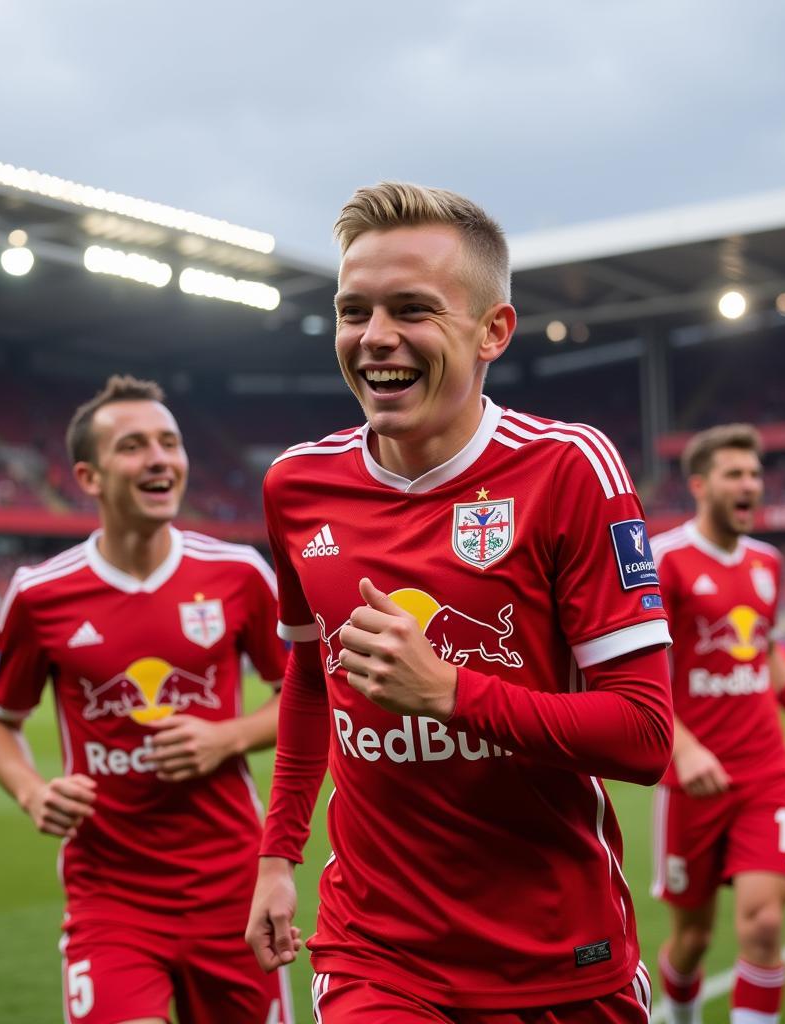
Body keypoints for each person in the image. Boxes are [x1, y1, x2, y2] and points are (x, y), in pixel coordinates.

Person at [245, 182, 675, 1022]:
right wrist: (276, 856)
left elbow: (646, 735)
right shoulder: (295, 486)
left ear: (493, 331)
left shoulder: (568, 470)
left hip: (561, 951)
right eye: (352, 311)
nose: (374, 339)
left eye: (411, 310)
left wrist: (448, 693)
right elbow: (309, 679)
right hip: (377, 951)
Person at [0, 375, 292, 1024]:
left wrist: (227, 736)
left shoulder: (238, 574)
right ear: (89, 477)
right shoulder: (40, 594)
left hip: (230, 884)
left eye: (170, 443)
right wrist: (33, 792)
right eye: (133, 445)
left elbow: (301, 697)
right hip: (110, 893)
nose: (159, 458)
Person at [649, 424, 785, 1024]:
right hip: (694, 780)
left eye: (756, 474)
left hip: (765, 772)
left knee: (763, 924)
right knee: (693, 941)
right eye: (736, 474)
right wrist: (682, 749)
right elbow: (644, 674)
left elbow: (762, 652)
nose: (751, 485)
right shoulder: (666, 561)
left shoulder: (769, 562)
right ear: (700, 485)